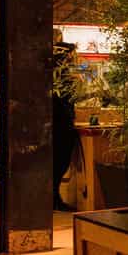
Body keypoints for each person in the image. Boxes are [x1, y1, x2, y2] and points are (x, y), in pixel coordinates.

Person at [51, 29, 79, 209]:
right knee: (60, 159)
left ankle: (51, 198)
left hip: (50, 118)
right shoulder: (65, 57)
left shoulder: (44, 61)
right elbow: (73, 92)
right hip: (62, 118)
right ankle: (54, 198)